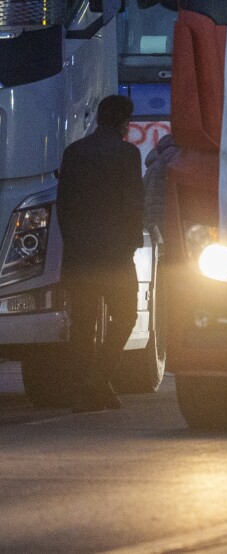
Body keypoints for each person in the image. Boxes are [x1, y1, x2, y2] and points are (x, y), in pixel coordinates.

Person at [57, 95, 144, 412]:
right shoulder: (127, 154)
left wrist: (73, 243)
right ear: (124, 122)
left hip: (80, 254)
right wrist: (132, 244)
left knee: (83, 324)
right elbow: (134, 204)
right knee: (126, 318)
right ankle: (96, 381)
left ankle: (89, 388)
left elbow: (63, 205)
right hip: (116, 256)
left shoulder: (74, 152)